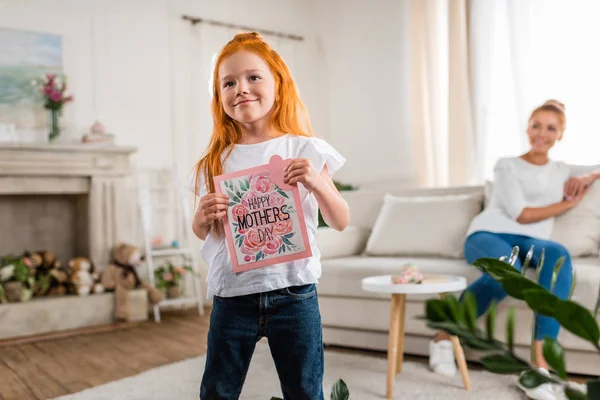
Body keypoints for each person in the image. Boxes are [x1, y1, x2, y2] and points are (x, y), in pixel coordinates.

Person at [190, 32, 350, 400]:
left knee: (305, 392)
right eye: (228, 83)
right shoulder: (215, 161)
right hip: (233, 297)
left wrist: (315, 181)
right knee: (217, 391)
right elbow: (204, 232)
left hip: (294, 295)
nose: (241, 89)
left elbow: (341, 219)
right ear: (219, 97)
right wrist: (202, 216)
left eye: (253, 77)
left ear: (277, 81)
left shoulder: (303, 148)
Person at [428, 100, 600, 400]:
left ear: (560, 134)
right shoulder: (506, 164)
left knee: (558, 255)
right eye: (536, 125)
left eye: (551, 128)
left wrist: (588, 177)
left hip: (532, 242)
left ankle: (539, 368)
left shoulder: (562, 169)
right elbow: (521, 214)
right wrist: (568, 204)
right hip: (489, 233)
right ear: (527, 128)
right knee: (506, 272)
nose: (542, 133)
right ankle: (443, 337)